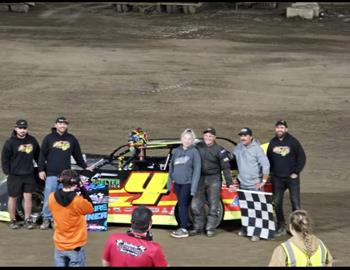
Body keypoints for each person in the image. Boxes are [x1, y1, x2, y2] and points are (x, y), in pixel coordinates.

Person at [38, 116, 93, 230]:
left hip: (65, 176)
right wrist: (41, 170)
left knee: (62, 198)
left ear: (67, 125)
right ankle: (46, 219)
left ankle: (56, 220)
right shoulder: (49, 138)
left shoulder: (72, 139)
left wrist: (86, 167)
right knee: (50, 197)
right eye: (60, 124)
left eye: (64, 124)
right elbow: (42, 155)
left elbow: (78, 156)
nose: (62, 126)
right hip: (51, 173)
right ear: (56, 125)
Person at [190, 127, 235, 237]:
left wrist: (229, 183)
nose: (208, 138)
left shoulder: (220, 150)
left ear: (214, 137)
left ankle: (210, 228)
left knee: (214, 205)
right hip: (199, 178)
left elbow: (226, 168)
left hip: (214, 179)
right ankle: (198, 227)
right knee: (195, 205)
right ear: (203, 136)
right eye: (206, 135)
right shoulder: (197, 147)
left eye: (210, 136)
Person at [267, 120, 306, 237]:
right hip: (278, 178)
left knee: (296, 203)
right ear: (275, 129)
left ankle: (298, 228)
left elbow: (302, 158)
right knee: (277, 202)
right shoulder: (272, 142)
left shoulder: (293, 142)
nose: (280, 129)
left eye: (282, 127)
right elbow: (268, 159)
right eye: (278, 127)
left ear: (286, 129)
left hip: (291, 178)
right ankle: (281, 226)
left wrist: (296, 172)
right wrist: (270, 173)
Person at [49, 169, 94, 267]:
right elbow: (91, 207)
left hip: (59, 245)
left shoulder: (51, 197)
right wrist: (82, 188)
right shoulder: (78, 201)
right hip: (75, 246)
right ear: (76, 183)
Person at [233, 127, 270, 242]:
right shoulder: (238, 147)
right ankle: (246, 229)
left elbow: (266, 165)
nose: (243, 138)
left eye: (245, 135)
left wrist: (263, 181)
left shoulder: (257, 149)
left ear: (251, 137)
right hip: (243, 183)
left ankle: (257, 233)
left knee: (257, 209)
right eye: (241, 136)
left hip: (255, 185)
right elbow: (232, 159)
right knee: (245, 209)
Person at [1, 119, 40, 229]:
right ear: (16, 129)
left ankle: (27, 219)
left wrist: (41, 169)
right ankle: (12, 220)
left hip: (28, 174)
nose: (22, 130)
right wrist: (7, 172)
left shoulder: (32, 140)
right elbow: (5, 158)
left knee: (28, 196)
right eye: (20, 128)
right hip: (14, 175)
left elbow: (38, 156)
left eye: (24, 128)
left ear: (27, 129)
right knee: (12, 197)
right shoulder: (10, 142)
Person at [101, 206, 169, 267]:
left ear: (131, 222)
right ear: (150, 224)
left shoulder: (113, 238)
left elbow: (106, 262)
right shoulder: (154, 249)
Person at [167, 128, 201, 238]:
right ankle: (185, 225)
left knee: (182, 205)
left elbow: (197, 170)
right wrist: (169, 183)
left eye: (189, 139)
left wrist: (193, 188)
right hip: (177, 184)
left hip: (188, 184)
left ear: (193, 140)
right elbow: (171, 168)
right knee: (183, 206)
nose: (187, 141)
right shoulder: (176, 151)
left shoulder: (194, 152)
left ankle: (184, 229)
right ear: (181, 139)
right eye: (185, 138)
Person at [269, 210, 333, 266]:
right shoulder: (321, 245)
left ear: (291, 227)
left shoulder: (283, 250)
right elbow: (329, 262)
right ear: (307, 226)